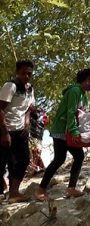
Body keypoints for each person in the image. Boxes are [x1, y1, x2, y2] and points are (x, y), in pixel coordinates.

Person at [34, 68, 90, 201]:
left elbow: (83, 116)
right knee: (59, 159)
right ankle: (40, 190)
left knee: (78, 156)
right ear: (89, 79)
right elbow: (71, 113)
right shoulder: (75, 91)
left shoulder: (83, 94)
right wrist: (75, 131)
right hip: (62, 130)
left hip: (69, 131)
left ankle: (71, 188)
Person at [0, 59, 35, 204]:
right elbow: (0, 108)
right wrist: (5, 133)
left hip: (20, 130)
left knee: (23, 160)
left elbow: (28, 109)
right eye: (23, 73)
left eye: (29, 73)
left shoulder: (30, 89)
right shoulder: (11, 86)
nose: (26, 76)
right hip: (5, 129)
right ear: (17, 72)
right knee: (1, 161)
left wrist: (27, 127)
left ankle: (14, 192)